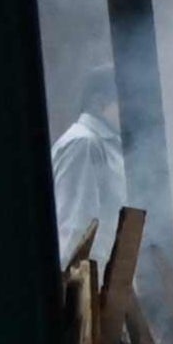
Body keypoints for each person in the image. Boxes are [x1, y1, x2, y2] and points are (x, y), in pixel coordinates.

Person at [50, 67, 127, 268]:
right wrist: (72, 294)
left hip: (104, 280)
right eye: (124, 101)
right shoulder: (83, 144)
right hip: (87, 284)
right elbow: (75, 227)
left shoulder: (107, 143)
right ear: (99, 102)